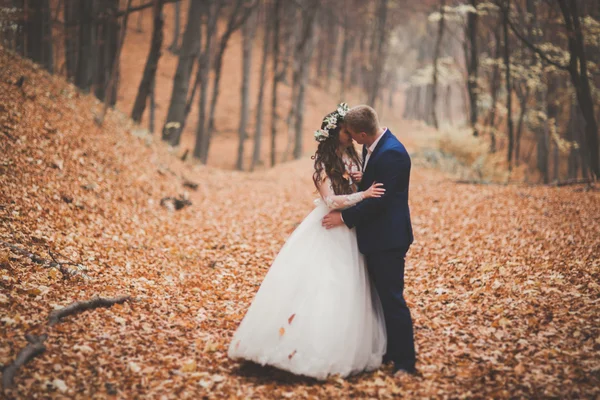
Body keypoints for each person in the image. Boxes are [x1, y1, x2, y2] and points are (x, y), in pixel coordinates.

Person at [228, 103, 387, 380]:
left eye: (351, 132)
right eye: (345, 132)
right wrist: (363, 195)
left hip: (350, 228)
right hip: (327, 226)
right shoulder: (322, 165)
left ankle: (339, 343)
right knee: (321, 282)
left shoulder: (354, 157)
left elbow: (355, 189)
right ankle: (295, 348)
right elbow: (330, 200)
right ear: (333, 134)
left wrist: (361, 183)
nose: (350, 136)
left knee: (347, 285)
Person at [322, 105, 417, 374]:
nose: (351, 139)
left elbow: (381, 202)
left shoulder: (393, 154)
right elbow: (376, 187)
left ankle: (406, 363)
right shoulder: (374, 146)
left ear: (363, 133)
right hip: (376, 235)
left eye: (353, 134)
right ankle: (388, 351)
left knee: (392, 299)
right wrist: (364, 181)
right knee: (379, 298)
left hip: (388, 238)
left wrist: (344, 219)